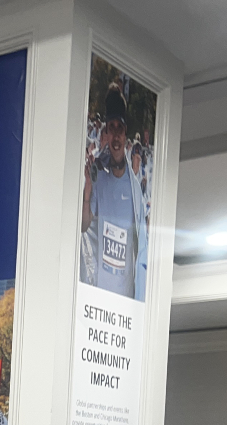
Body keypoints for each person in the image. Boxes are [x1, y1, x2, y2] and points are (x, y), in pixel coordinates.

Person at [81, 84, 148, 300]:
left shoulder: (135, 188)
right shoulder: (98, 176)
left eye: (120, 128)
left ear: (125, 132)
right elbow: (83, 226)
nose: (116, 135)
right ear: (107, 133)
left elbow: (142, 249)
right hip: (100, 295)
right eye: (112, 127)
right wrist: (88, 189)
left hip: (126, 299)